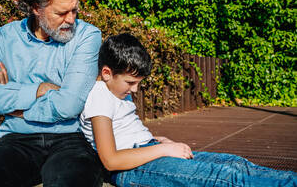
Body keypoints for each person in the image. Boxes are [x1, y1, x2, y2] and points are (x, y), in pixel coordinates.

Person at [80, 33, 297, 187]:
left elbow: (122, 132)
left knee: (235, 163)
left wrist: (155, 140)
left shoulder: (116, 91)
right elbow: (111, 160)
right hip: (131, 169)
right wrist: (163, 150)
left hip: (147, 153)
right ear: (107, 73)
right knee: (225, 178)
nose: (135, 89)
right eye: (130, 82)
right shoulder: (100, 96)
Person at [0, 0, 104, 187]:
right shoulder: (5, 36)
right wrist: (36, 90)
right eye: (61, 12)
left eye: (74, 10)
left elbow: (69, 106)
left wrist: (12, 104)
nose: (70, 20)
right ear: (36, 8)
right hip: (16, 141)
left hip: (71, 139)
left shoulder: (87, 36)